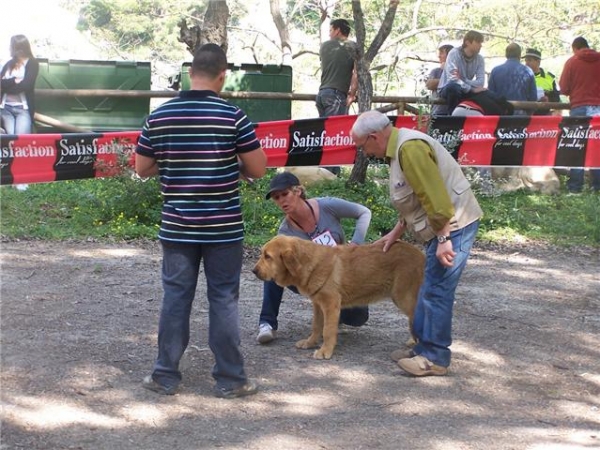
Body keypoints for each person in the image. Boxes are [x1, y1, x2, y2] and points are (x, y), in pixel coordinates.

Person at [135, 43, 268, 398]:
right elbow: (257, 168)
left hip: (177, 225)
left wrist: (175, 163)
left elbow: (142, 168)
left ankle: (164, 376)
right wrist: (227, 165)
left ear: (189, 73)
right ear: (222, 75)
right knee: (223, 299)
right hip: (223, 227)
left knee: (175, 297)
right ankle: (231, 379)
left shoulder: (159, 116)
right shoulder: (232, 116)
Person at [350, 110, 482, 377]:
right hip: (443, 225)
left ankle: (434, 358)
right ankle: (423, 347)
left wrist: (444, 239)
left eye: (362, 146)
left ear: (374, 137)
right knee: (428, 289)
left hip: (453, 225)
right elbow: (414, 196)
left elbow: (436, 198)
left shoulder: (409, 149)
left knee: (437, 291)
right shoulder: (397, 150)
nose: (364, 153)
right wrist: (397, 231)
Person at [257, 171, 372, 344]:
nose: (281, 201)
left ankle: (332, 313)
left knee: (357, 318)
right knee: (272, 263)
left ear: (298, 191)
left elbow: (364, 212)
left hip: (343, 276)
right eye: (276, 197)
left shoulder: (326, 205)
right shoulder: (285, 232)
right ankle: (267, 323)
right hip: (313, 279)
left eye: (285, 194)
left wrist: (355, 244)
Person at [316, 18, 359, 176]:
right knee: (335, 136)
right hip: (336, 95)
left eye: (330, 30)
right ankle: (330, 174)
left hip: (322, 94)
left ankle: (329, 172)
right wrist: (352, 93)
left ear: (338, 30)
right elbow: (356, 72)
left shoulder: (325, 46)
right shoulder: (352, 47)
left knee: (326, 134)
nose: (329, 33)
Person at [559, 36, 600, 193]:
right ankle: (597, 186)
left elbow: (563, 88)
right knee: (597, 147)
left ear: (575, 48)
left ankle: (575, 187)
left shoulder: (572, 62)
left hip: (579, 108)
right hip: (598, 109)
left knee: (577, 147)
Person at [437, 30, 486, 115]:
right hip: (447, 88)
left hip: (465, 88)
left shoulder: (480, 59)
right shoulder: (454, 53)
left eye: (481, 42)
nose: (480, 45)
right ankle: (454, 119)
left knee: (487, 93)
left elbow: (481, 82)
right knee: (453, 87)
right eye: (478, 42)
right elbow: (452, 80)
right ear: (467, 42)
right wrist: (471, 89)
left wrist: (463, 80)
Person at [1, 35, 39, 135]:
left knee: (21, 138)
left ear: (18, 48)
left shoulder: (32, 63)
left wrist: (6, 87)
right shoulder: (9, 64)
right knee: (10, 137)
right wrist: (14, 80)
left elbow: (27, 85)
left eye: (11, 46)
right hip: (5, 108)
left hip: (23, 109)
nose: (9, 48)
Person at [487, 43, 537, 116]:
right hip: (521, 115)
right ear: (519, 55)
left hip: (501, 114)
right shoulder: (528, 71)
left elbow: (491, 95)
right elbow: (533, 97)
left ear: (506, 54)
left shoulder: (495, 71)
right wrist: (529, 114)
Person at [523, 48, 560, 115]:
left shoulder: (549, 78)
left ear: (538, 62)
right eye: (526, 60)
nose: (526, 63)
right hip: (526, 116)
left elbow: (556, 99)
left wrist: (548, 99)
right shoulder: (521, 77)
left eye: (529, 60)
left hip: (543, 116)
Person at [426, 44, 454, 116]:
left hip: (454, 112)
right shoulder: (436, 71)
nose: (439, 56)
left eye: (442, 53)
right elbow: (429, 85)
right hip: (437, 111)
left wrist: (447, 69)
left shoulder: (460, 70)